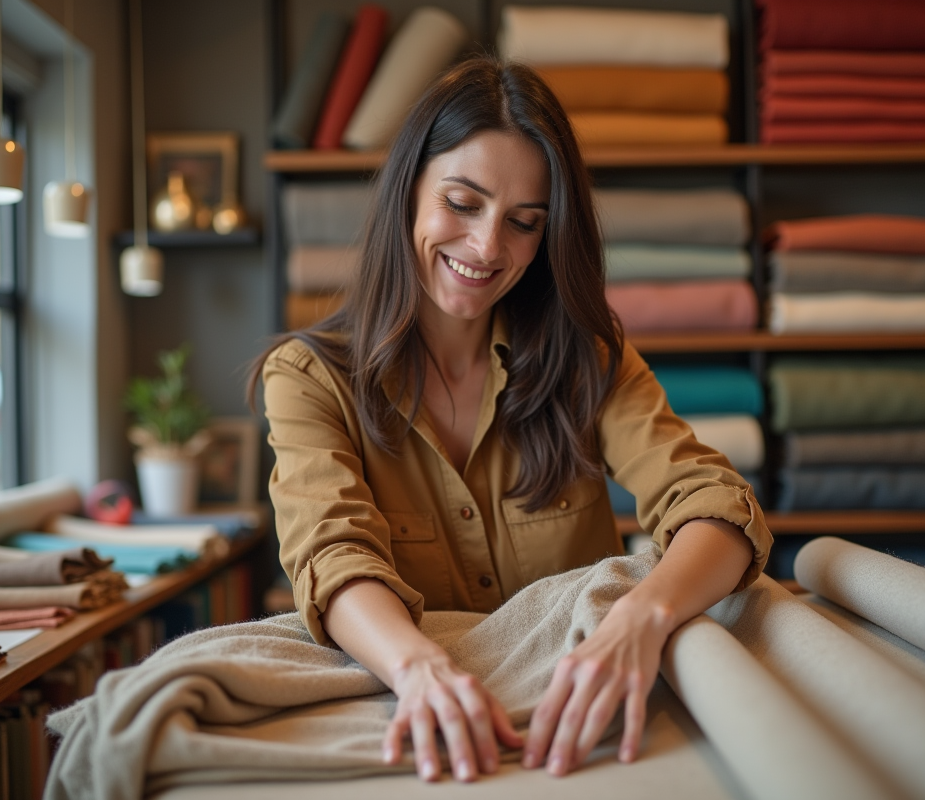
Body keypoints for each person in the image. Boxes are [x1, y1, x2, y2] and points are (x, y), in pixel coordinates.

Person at [250, 57, 772, 784]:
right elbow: (331, 558)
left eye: (524, 223)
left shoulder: (590, 359)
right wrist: (420, 667)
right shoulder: (309, 381)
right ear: (408, 193)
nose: (489, 247)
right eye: (462, 203)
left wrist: (639, 620)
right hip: (413, 711)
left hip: (581, 725)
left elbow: (713, 503)